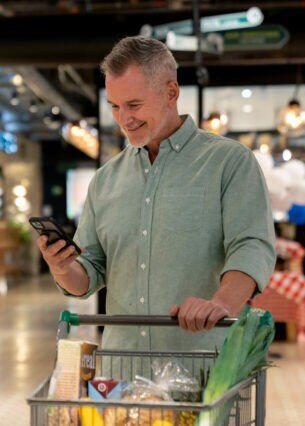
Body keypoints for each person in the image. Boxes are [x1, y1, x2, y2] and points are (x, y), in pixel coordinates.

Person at [37, 35, 276, 353]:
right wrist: (63, 268)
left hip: (202, 368)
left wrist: (221, 303)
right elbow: (89, 274)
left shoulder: (228, 163)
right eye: (115, 107)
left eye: (134, 104)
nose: (124, 119)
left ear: (171, 92)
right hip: (122, 375)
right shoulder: (105, 180)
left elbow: (252, 245)